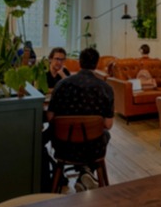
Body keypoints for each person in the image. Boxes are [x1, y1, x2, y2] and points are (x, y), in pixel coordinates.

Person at [46, 47, 114, 192]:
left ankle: (84, 172)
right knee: (105, 134)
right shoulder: (105, 89)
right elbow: (108, 124)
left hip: (64, 147)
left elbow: (50, 117)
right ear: (96, 64)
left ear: (79, 62)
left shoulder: (61, 85)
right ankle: (86, 171)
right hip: (93, 148)